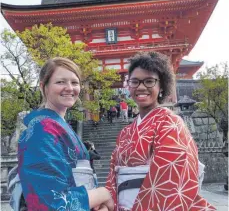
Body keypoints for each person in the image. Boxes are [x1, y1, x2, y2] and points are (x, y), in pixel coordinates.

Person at [106, 52, 215, 211]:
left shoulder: (171, 123)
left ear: (161, 85)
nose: (141, 87)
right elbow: (112, 177)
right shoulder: (125, 133)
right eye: (135, 82)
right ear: (128, 85)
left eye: (149, 81)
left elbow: (172, 175)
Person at [15, 57, 113, 211]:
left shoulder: (57, 127)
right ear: (43, 86)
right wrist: (103, 193)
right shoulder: (41, 130)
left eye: (74, 82)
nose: (69, 88)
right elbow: (52, 202)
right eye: (60, 82)